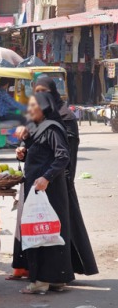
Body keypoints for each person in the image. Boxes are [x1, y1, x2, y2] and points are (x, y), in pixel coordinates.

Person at [12, 77, 98, 278]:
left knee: (57, 230)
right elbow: (34, 145)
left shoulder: (64, 117)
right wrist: (23, 149)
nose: (40, 95)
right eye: (37, 91)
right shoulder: (37, 114)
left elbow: (64, 153)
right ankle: (32, 270)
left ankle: (56, 274)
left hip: (57, 181)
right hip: (37, 180)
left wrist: (56, 179)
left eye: (44, 90)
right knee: (35, 226)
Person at [13, 92, 75, 294]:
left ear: (44, 108)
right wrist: (23, 154)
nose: (29, 111)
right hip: (38, 189)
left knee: (45, 233)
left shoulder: (52, 128)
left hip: (49, 190)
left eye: (33, 107)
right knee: (45, 233)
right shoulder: (36, 129)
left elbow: (62, 157)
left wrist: (47, 178)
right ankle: (55, 279)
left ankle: (42, 280)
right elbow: (39, 155)